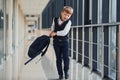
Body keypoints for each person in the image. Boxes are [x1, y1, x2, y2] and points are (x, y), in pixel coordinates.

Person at [49, 6, 73, 79]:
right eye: (65, 14)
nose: (66, 17)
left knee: (66, 58)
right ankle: (60, 74)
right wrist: (52, 32)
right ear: (62, 13)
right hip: (56, 42)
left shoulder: (69, 22)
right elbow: (52, 28)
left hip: (64, 42)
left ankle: (66, 72)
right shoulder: (55, 19)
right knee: (58, 58)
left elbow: (65, 32)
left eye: (68, 16)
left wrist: (55, 33)